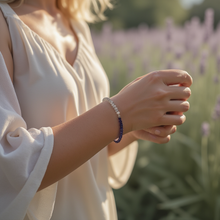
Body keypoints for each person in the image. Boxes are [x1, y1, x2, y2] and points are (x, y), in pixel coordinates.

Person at [0, 0, 192, 219]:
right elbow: (7, 165)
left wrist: (130, 126)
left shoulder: (75, 23)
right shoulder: (5, 23)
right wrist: (120, 112)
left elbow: (89, 147)